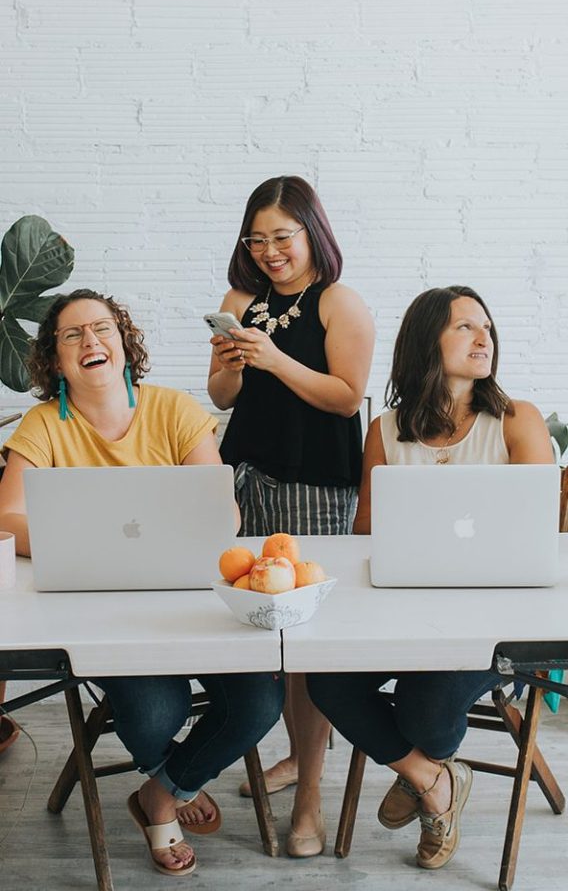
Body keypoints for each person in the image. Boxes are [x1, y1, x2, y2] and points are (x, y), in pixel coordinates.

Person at [0, 288, 284, 878]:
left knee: (262, 697)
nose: (89, 342)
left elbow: (222, 513)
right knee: (158, 711)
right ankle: (173, 788)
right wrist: (86, 545)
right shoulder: (40, 425)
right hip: (95, 610)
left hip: (190, 597)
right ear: (55, 360)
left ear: (124, 344)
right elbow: (6, 519)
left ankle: (160, 793)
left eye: (101, 329)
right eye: (72, 335)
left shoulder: (174, 409)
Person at [307, 284, 553, 871]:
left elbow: (538, 533)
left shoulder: (516, 420)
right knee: (325, 680)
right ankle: (433, 779)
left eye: (486, 327)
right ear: (425, 342)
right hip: (402, 612)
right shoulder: (386, 431)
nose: (482, 336)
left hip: (496, 622)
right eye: (465, 327)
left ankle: (417, 770)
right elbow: (366, 535)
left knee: (424, 709)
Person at [207, 175, 375, 857]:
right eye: (258, 238)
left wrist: (273, 358)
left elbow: (346, 398)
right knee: (259, 631)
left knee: (304, 646)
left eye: (283, 236)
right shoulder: (239, 301)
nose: (271, 250)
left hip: (316, 487)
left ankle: (309, 795)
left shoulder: (340, 302)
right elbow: (222, 395)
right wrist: (232, 361)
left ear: (313, 232)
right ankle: (295, 757)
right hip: (247, 478)